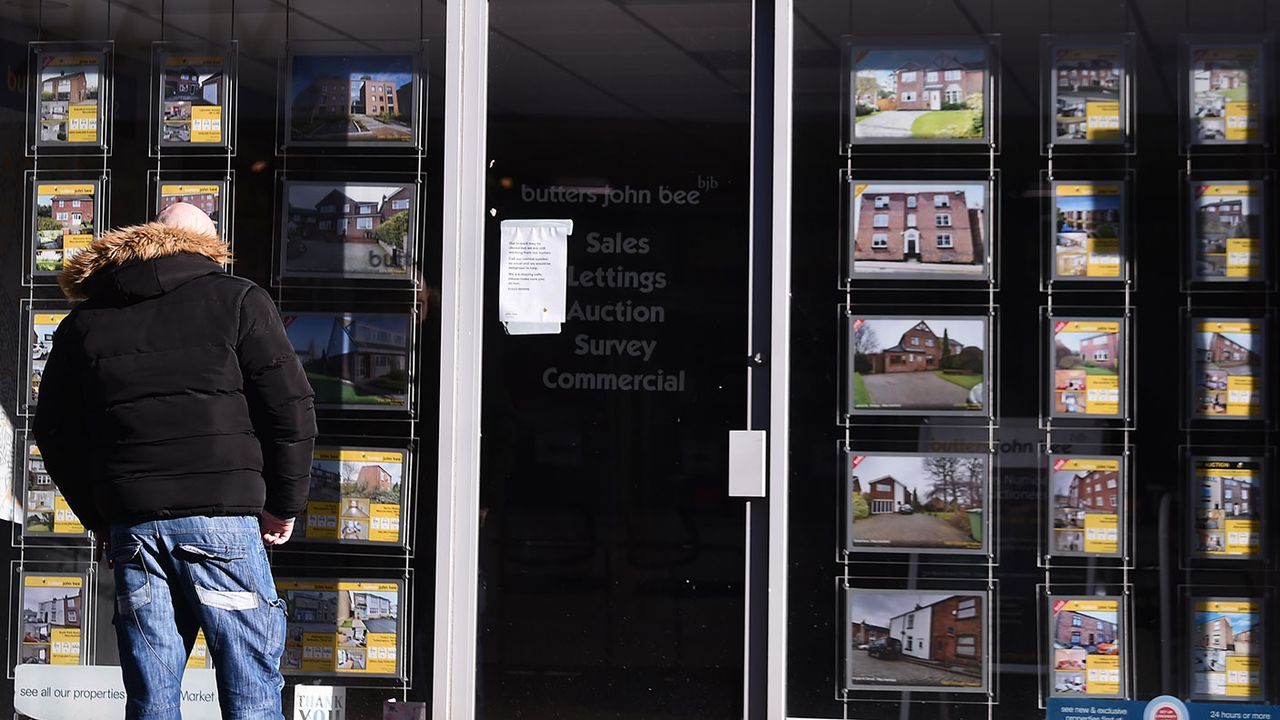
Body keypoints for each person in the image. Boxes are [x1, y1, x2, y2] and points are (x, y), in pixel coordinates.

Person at [33, 203, 317, 720]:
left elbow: (55, 433)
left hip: (135, 525)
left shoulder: (86, 322)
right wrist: (284, 504)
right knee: (251, 685)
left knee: (151, 692)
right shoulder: (237, 300)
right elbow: (290, 410)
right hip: (224, 524)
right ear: (208, 247)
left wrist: (102, 517)